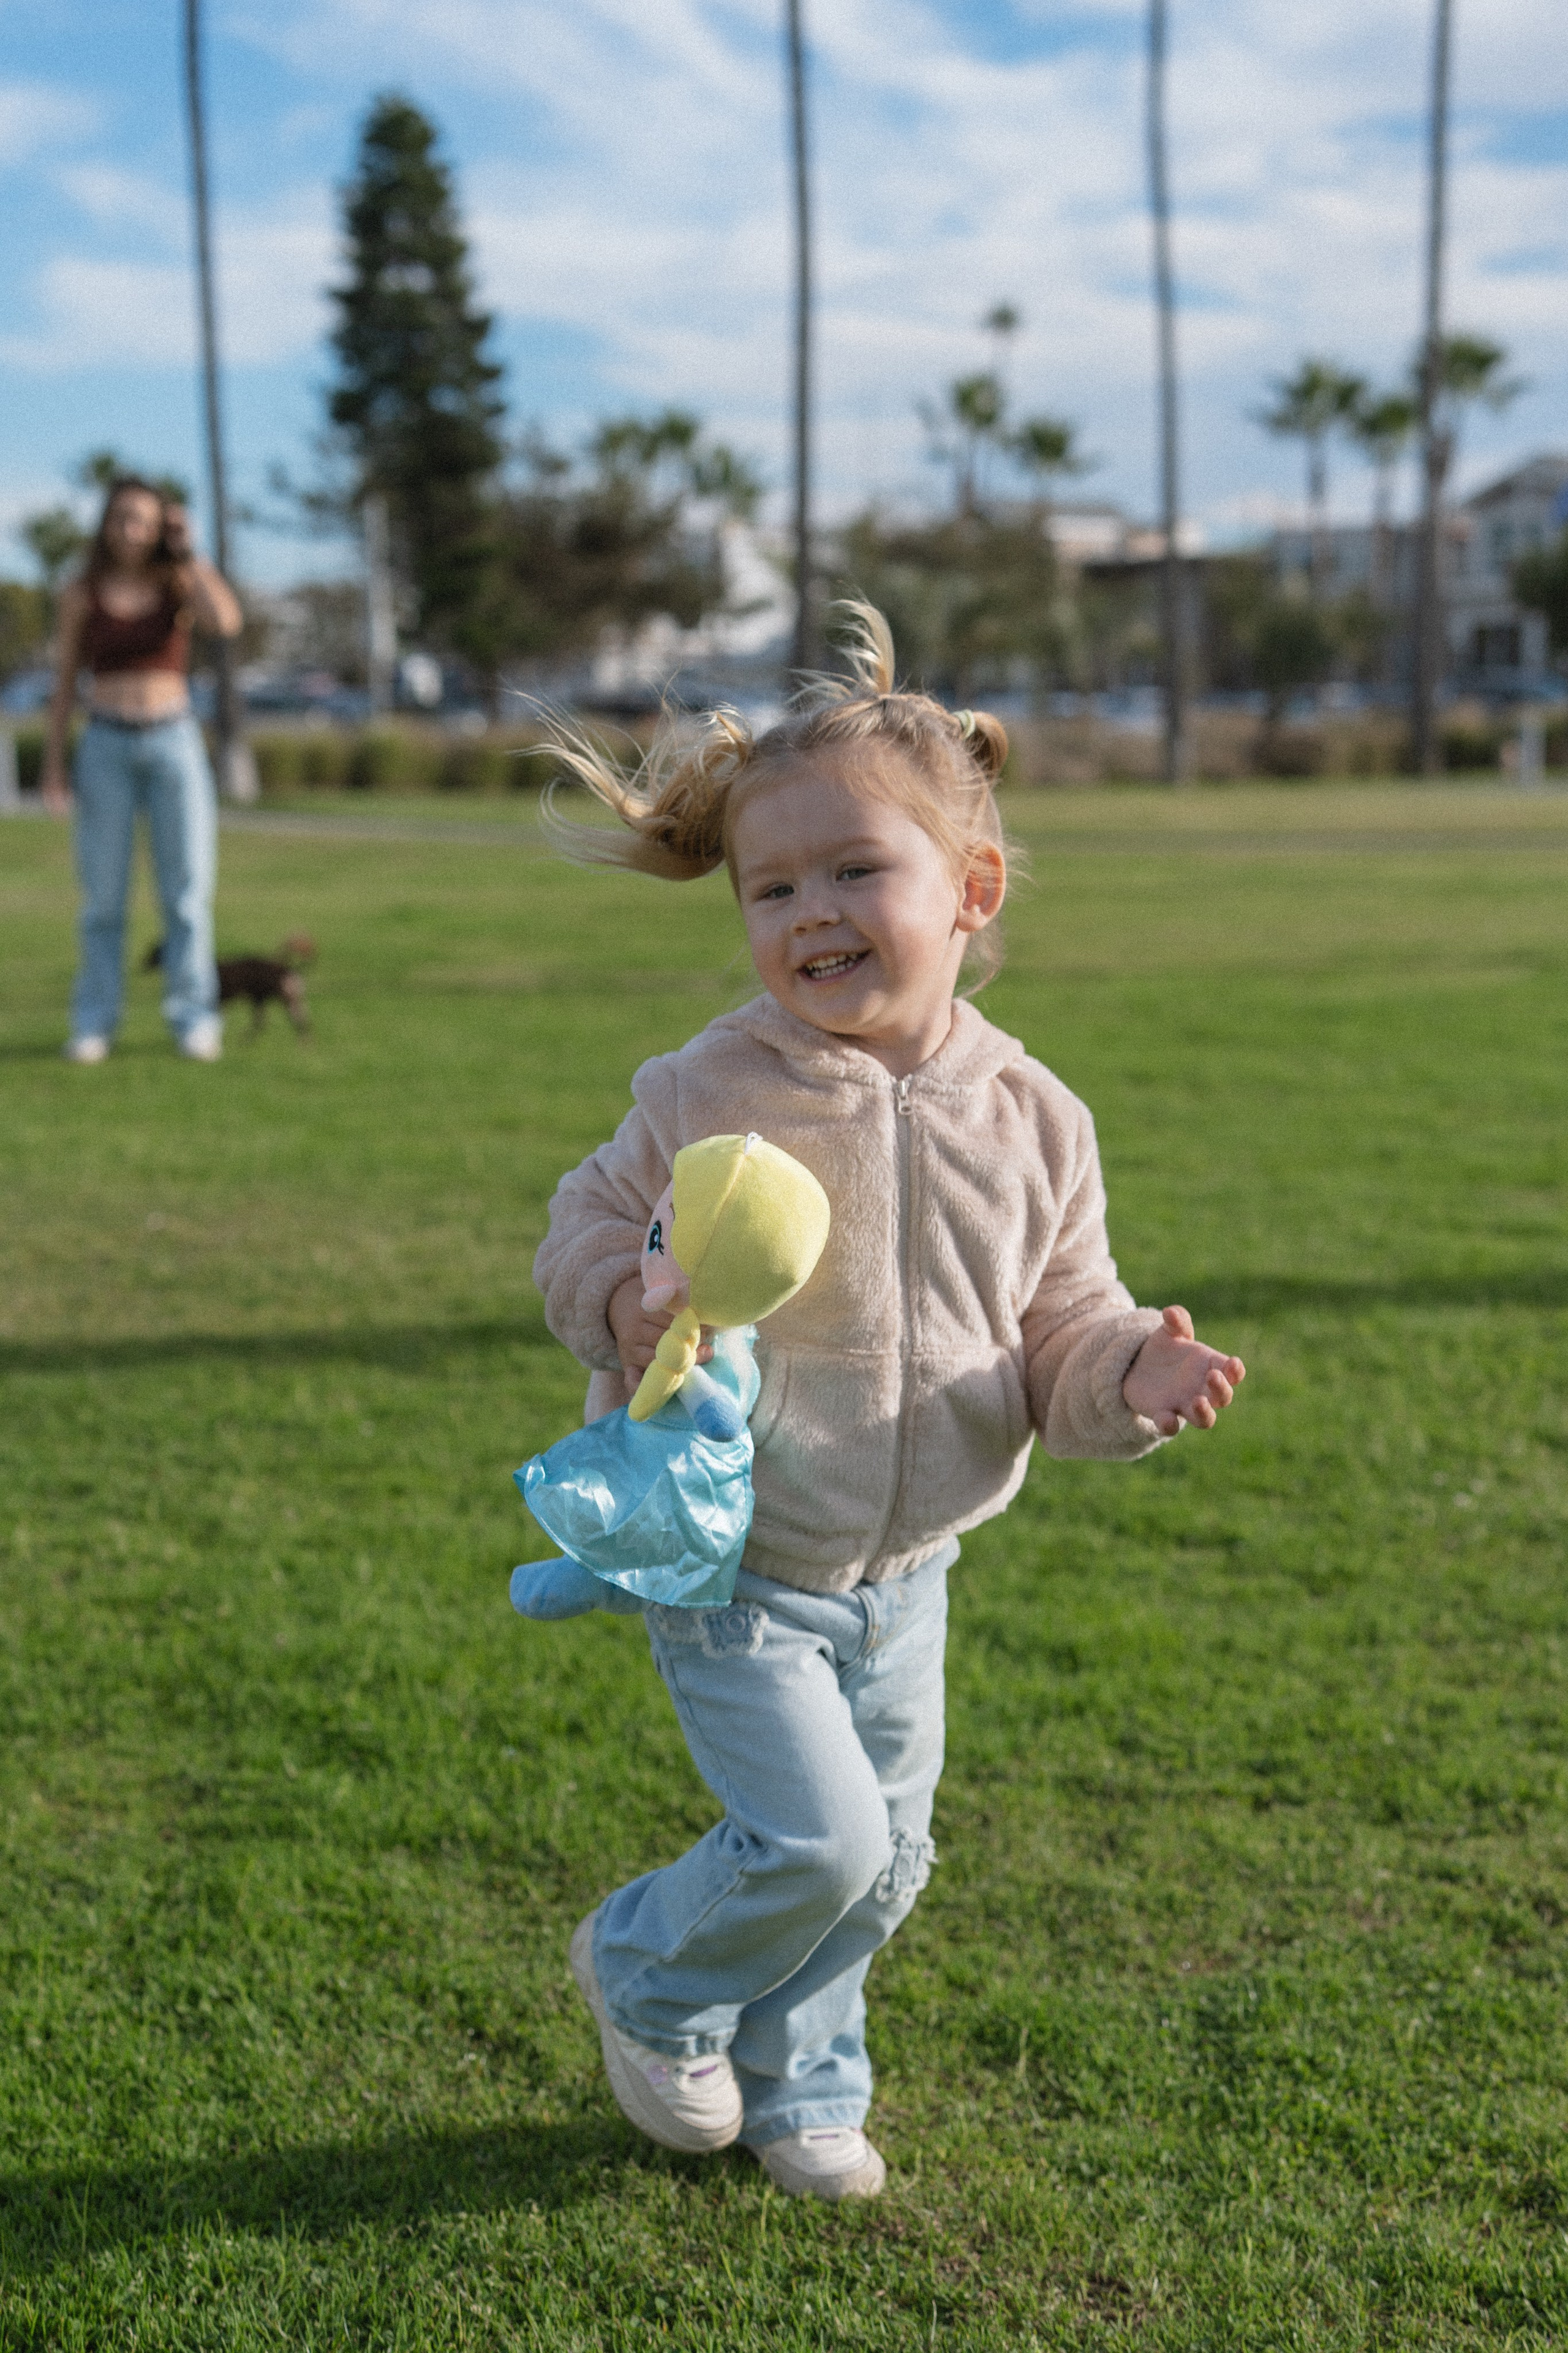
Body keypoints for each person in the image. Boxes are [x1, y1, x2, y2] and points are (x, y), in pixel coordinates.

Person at [527, 604, 1246, 2203]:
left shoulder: (1039, 1118)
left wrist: (1134, 1372)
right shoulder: (707, 1088)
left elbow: (1067, 1323)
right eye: (773, 887)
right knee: (823, 1843)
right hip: (741, 1554)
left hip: (912, 1575)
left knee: (887, 1864)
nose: (812, 912)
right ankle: (645, 1972)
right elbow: (578, 1232)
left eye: (857, 870)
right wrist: (633, 1293)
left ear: (970, 891)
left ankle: (805, 2087)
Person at [42, 475, 242, 1063]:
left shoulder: (179, 581)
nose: (131, 528)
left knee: (186, 894)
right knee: (102, 898)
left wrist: (192, 551)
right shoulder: (81, 592)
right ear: (106, 523)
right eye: (121, 517)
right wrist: (54, 765)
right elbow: (62, 685)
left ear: (159, 528)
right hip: (105, 745)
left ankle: (193, 1016)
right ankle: (94, 1020)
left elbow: (226, 622)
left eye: (144, 520)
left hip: (172, 742)